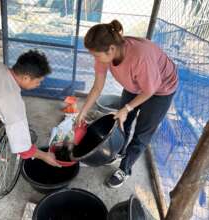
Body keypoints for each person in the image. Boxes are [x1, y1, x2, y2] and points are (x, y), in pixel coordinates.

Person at [76, 20, 178, 188]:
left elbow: (149, 91)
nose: (95, 59)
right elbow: (97, 87)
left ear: (111, 49)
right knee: (122, 121)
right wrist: (82, 112)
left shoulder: (139, 56)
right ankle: (118, 151)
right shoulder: (104, 53)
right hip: (136, 84)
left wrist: (127, 108)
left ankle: (125, 168)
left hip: (161, 89)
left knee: (142, 133)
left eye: (96, 55)